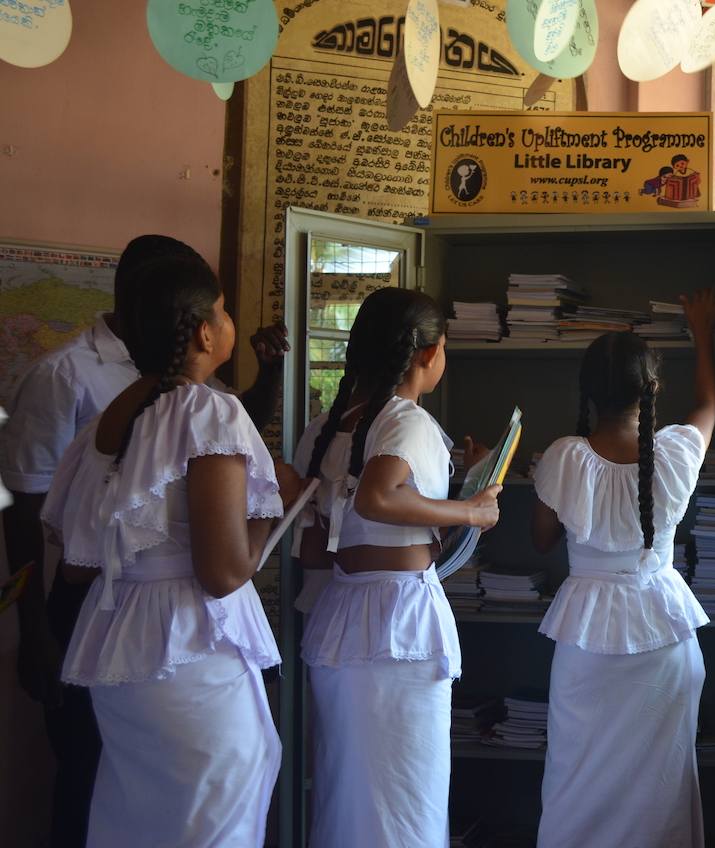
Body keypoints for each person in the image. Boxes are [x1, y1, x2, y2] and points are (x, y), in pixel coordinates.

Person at [0, 234, 289, 848]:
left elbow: (77, 568)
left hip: (119, 646)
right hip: (190, 648)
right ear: (205, 334)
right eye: (224, 310)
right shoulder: (210, 413)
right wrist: (276, 509)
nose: (228, 320)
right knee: (212, 817)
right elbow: (222, 573)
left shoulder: (115, 420)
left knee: (134, 818)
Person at [292, 287, 500, 848]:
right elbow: (378, 498)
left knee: (347, 786)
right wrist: (471, 509)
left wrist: (459, 489)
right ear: (426, 354)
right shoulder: (406, 420)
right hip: (398, 621)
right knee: (407, 788)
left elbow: (314, 548)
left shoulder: (324, 428)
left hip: (339, 613)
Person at [531, 288, 715, 848]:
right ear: (653, 389)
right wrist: (702, 336)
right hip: (661, 626)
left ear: (587, 392)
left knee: (576, 778)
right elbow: (708, 406)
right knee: (659, 789)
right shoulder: (677, 451)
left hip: (586, 636)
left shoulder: (563, 455)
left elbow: (541, 541)